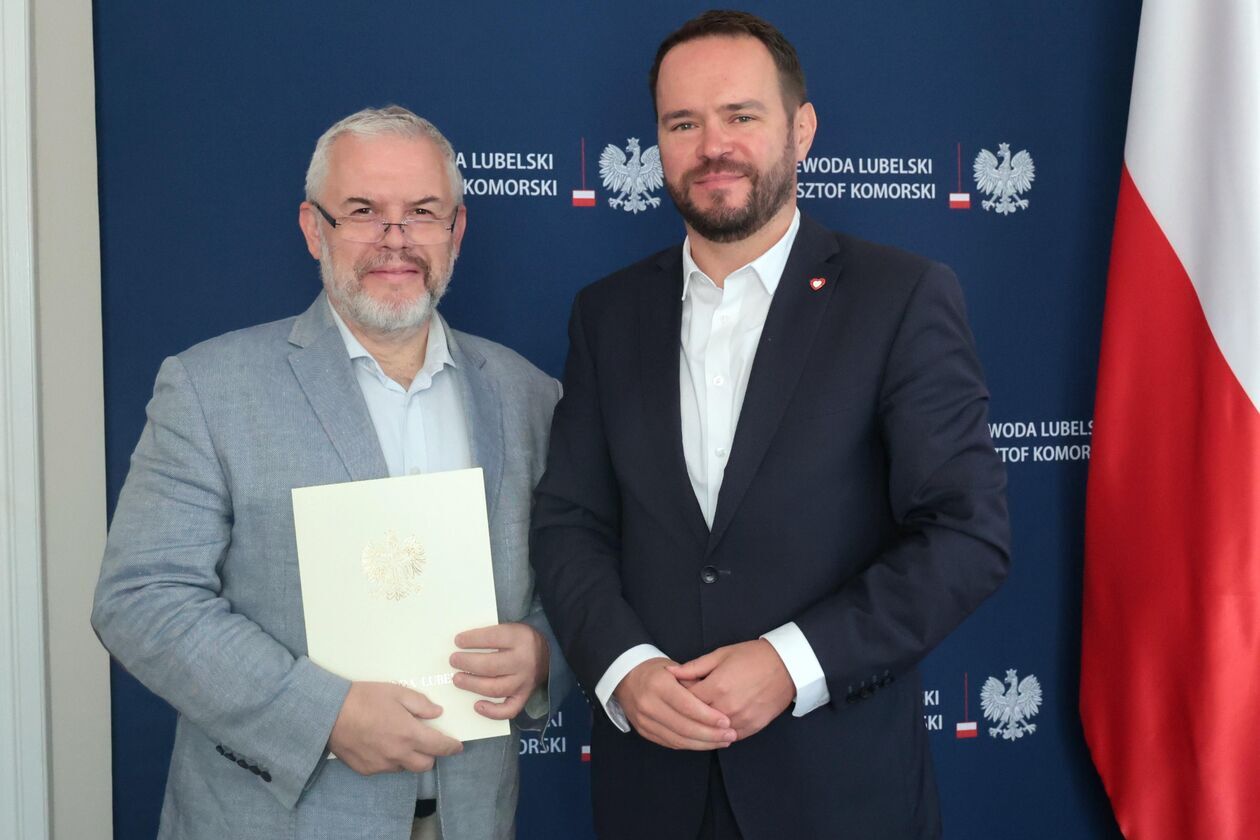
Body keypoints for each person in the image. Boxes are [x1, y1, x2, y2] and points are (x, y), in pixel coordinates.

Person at [531, 11, 1010, 839]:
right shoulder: (605, 315)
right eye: (683, 123)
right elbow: (572, 521)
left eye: (740, 115)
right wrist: (623, 667)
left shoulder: (899, 298)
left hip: (840, 794)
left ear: (802, 129)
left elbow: (966, 536)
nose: (711, 146)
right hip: (652, 790)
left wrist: (793, 663)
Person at [93, 105, 568, 840]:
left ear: (456, 231)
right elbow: (140, 598)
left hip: (470, 818)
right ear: (314, 229)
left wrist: (543, 655)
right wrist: (322, 715)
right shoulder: (210, 388)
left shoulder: (529, 396)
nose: (395, 239)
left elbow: (574, 579)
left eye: (422, 212)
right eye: (363, 212)